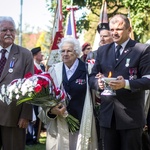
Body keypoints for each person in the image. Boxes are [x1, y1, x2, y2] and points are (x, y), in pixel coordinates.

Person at [89, 14, 150, 150]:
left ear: (129, 30)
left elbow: (148, 80)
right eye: (112, 29)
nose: (114, 33)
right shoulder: (102, 50)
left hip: (131, 117)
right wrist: (97, 83)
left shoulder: (142, 50)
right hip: (107, 116)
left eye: (119, 29)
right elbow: (92, 76)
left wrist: (126, 84)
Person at [38, 37, 98, 150]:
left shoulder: (87, 69)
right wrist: (51, 110)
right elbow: (46, 98)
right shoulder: (54, 70)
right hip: (60, 123)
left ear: (76, 53)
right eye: (63, 51)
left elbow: (96, 94)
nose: (65, 54)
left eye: (69, 51)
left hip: (82, 120)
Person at [0, 16, 34, 150]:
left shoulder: (25, 55)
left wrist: (26, 115)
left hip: (14, 117)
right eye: (4, 30)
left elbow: (30, 86)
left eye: (12, 30)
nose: (9, 33)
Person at [26, 47, 45, 145]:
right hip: (32, 95)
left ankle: (35, 137)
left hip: (41, 95)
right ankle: (29, 138)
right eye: (40, 53)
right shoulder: (31, 66)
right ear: (34, 55)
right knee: (31, 116)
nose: (42, 55)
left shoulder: (42, 66)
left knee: (38, 116)